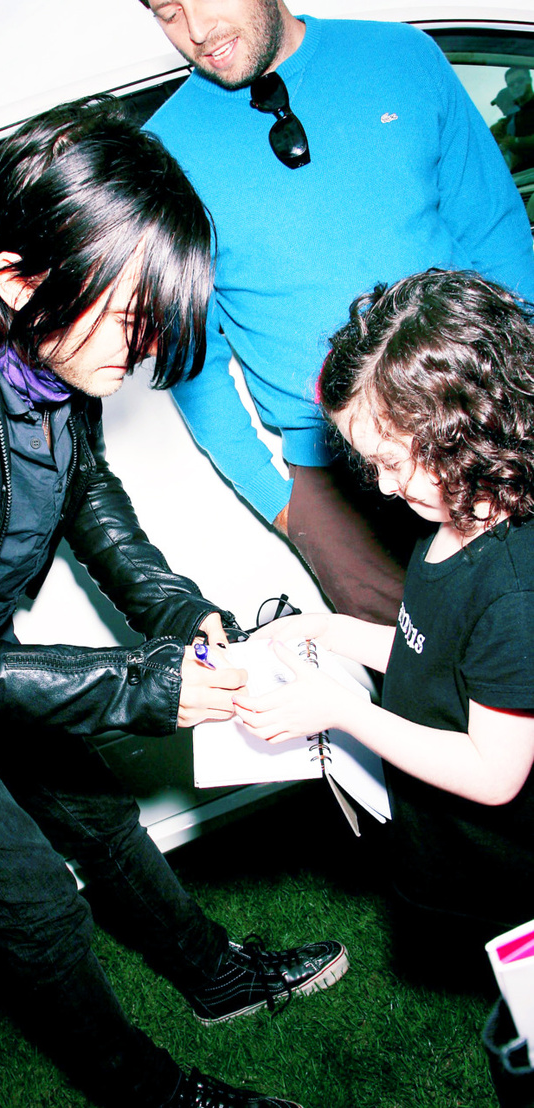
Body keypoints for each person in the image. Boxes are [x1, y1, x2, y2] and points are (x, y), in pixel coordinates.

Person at [0, 100, 348, 1108]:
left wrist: (177, 614)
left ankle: (216, 978)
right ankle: (147, 1095)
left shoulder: (49, 342)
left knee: (99, 817)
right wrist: (141, 686)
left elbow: (92, 502)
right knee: (38, 906)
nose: (145, 346)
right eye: (135, 318)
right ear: (19, 276)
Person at [138, 0, 534, 624]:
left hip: (483, 427)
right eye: (168, 11)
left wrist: (523, 396)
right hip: (338, 485)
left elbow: (496, 233)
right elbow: (192, 363)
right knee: (414, 673)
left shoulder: (400, 57)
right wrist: (284, 506)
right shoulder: (163, 153)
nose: (197, 30)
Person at [232, 269, 534, 949]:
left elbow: (494, 773)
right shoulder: (451, 522)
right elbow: (436, 655)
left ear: (467, 426)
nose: (385, 486)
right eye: (372, 464)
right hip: (449, 835)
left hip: (508, 865)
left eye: (393, 462)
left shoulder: (516, 591)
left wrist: (345, 712)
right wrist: (331, 630)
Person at [494, 67, 534, 173]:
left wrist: (515, 142)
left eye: (520, 81)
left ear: (529, 80)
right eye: (511, 85)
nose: (516, 86)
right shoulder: (512, 117)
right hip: (520, 178)